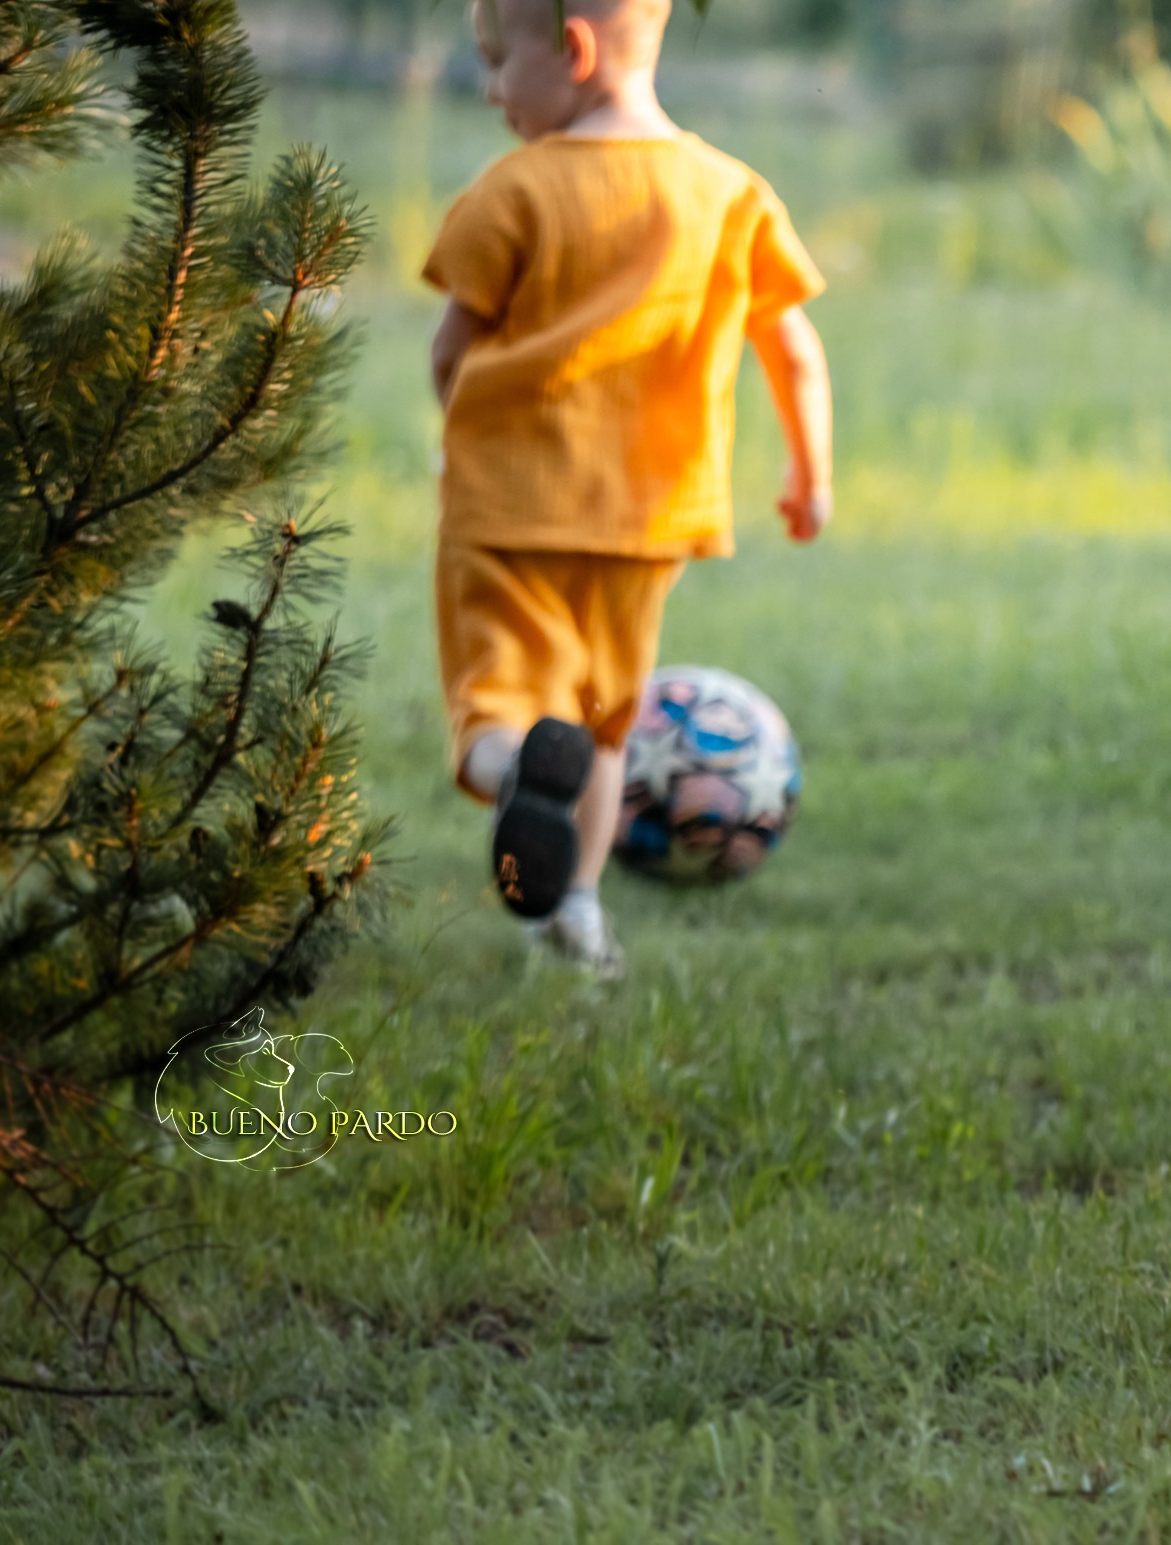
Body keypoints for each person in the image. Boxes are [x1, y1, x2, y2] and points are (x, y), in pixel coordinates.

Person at [424, 0, 833, 976]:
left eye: (496, 64)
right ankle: (575, 916)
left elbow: (450, 353)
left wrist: (461, 440)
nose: (490, 92)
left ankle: (514, 766)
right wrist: (809, 472)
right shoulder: (731, 193)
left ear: (571, 50)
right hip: (651, 521)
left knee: (501, 706)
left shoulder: (512, 191)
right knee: (607, 725)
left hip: (510, 506)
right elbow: (794, 350)